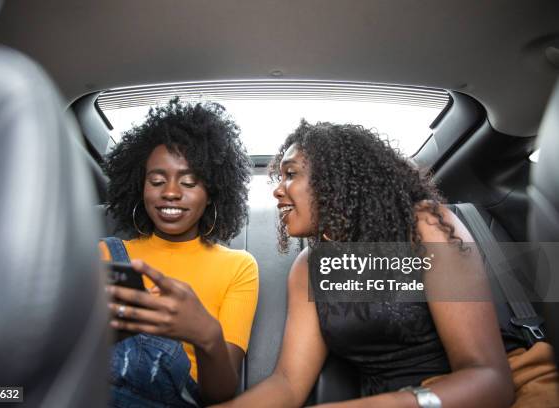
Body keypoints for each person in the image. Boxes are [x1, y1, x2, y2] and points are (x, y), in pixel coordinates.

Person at [213, 120, 557, 408]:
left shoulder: (424, 226)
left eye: (291, 174)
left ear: (336, 178)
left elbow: (490, 381)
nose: (277, 190)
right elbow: (287, 384)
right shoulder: (308, 268)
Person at [100, 98, 259, 407]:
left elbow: (221, 394)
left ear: (212, 193)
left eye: (189, 182)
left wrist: (205, 334)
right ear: (139, 187)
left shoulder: (238, 266)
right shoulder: (106, 253)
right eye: (156, 181)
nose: (170, 192)